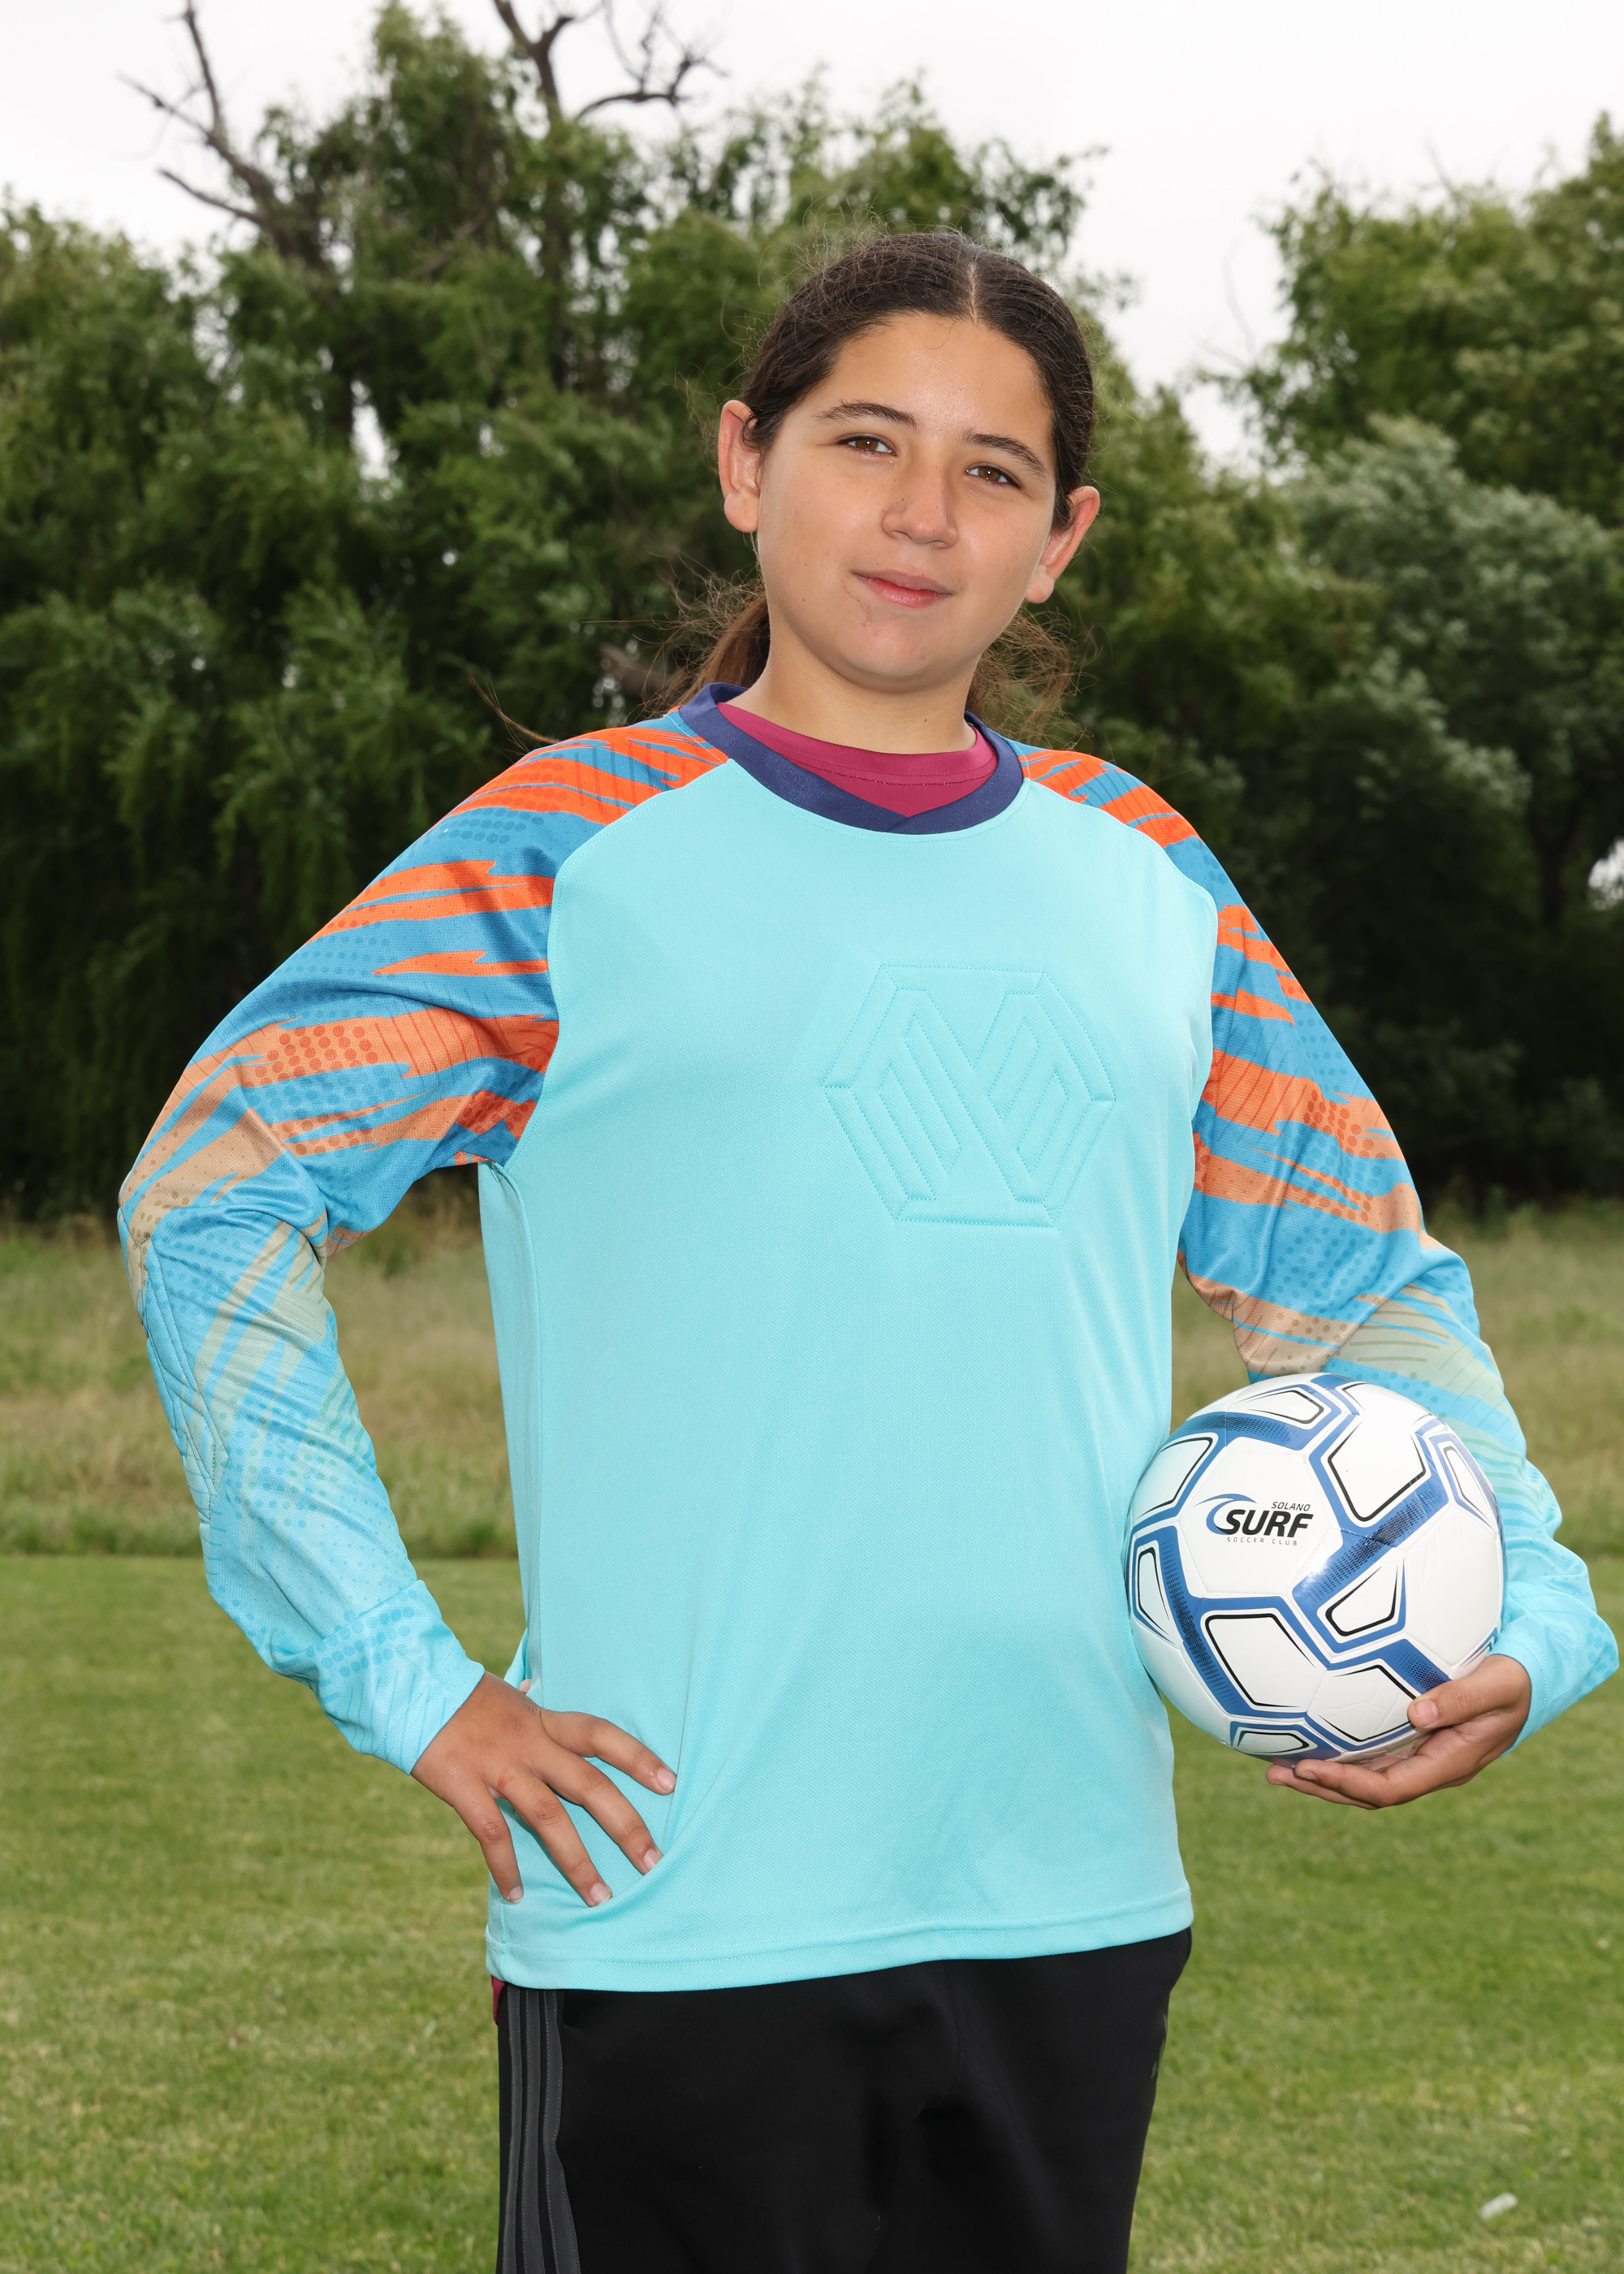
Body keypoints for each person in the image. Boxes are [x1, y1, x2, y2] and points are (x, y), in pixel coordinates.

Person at [119, 231, 1616, 2274]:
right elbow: (212, 1185)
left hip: (1068, 1896)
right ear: (748, 461)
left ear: (1059, 539)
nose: (924, 512)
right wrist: (405, 1672)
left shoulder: (1148, 876)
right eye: (866, 441)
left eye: (994, 471)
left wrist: (1536, 1601)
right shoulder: (563, 849)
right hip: (675, 1901)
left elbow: (1362, 1284)